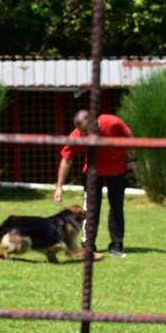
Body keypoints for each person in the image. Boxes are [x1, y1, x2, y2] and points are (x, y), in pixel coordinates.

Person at [53, 110, 137, 258]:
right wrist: (59, 187)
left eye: (86, 130)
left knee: (116, 208)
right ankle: (88, 246)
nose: (84, 134)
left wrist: (134, 160)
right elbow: (66, 160)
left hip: (117, 170)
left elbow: (129, 138)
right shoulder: (77, 135)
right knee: (90, 210)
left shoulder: (112, 122)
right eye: (82, 131)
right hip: (92, 174)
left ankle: (116, 246)